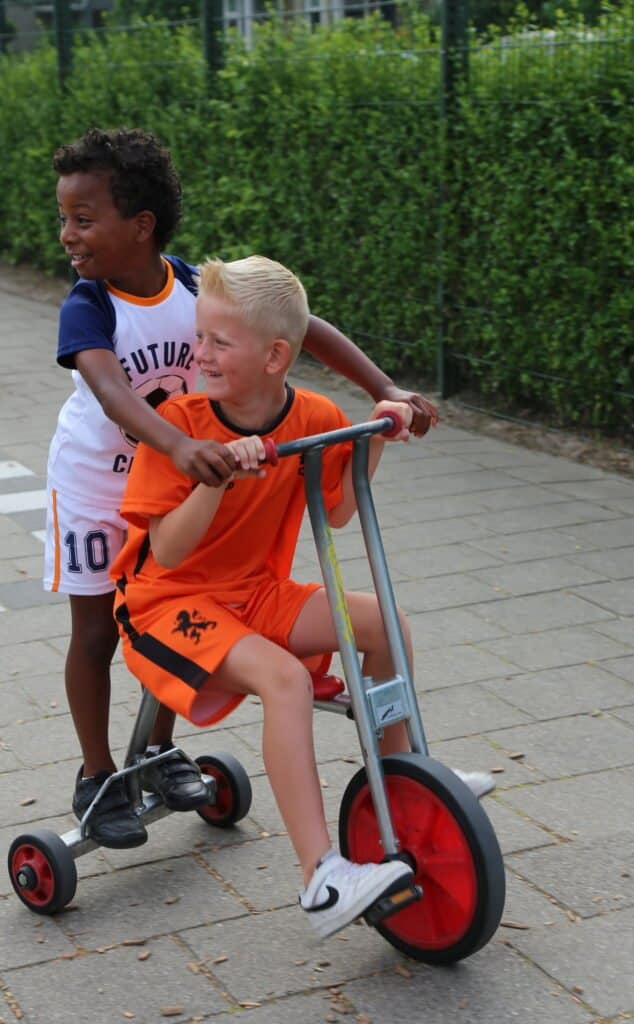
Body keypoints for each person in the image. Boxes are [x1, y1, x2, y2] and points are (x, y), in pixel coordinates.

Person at [44, 127, 440, 851]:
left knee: (185, 592)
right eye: (65, 217)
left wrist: (383, 387)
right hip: (100, 482)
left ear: (142, 225)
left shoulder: (195, 287)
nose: (67, 233)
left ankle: (157, 749)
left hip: (189, 468)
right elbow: (110, 391)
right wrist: (181, 446)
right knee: (100, 629)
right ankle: (97, 775)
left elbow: (302, 326)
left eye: (83, 218)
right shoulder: (89, 304)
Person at [111, 254, 426, 938]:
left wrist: (380, 432)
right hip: (167, 605)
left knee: (387, 625)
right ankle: (321, 877)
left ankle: (403, 791)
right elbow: (168, 552)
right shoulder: (179, 424)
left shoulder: (312, 415)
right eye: (200, 337)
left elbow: (337, 510)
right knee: (285, 679)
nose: (200, 354)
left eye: (219, 342)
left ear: (275, 356)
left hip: (255, 593)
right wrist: (217, 476)